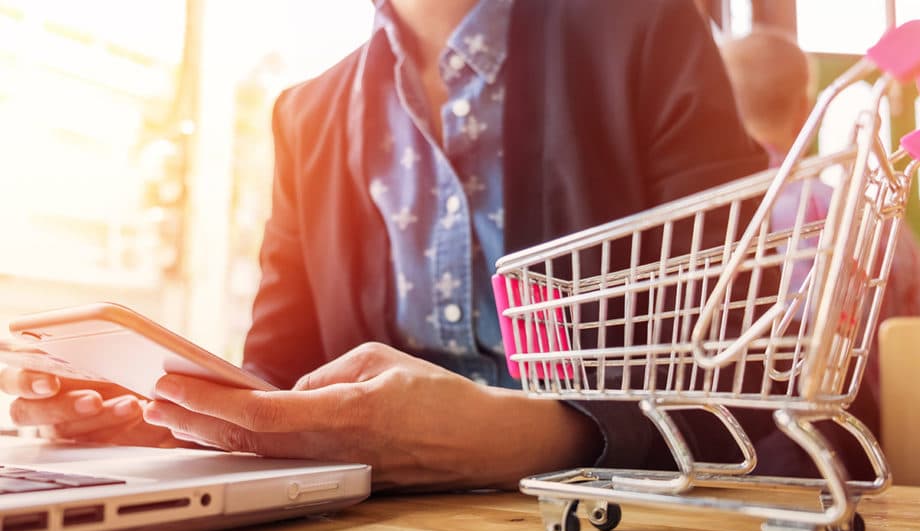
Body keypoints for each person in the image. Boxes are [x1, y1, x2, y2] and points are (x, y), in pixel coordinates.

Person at [0, 0, 767, 491]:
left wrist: (540, 434)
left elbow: (746, 356)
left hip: (612, 529)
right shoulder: (306, 114)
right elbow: (281, 370)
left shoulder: (644, 31)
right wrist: (168, 415)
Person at [720, 29, 920, 414]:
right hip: (867, 428)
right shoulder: (869, 217)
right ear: (804, 108)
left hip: (745, 415)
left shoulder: (705, 220)